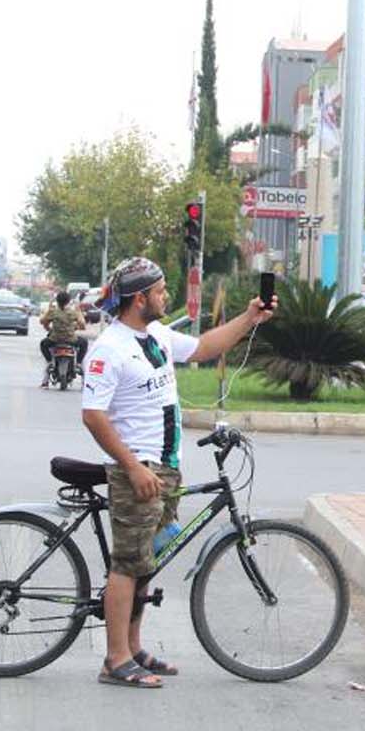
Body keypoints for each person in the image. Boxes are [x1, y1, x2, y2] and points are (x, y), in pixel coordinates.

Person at [80, 257, 277, 688]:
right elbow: (93, 415)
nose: (166, 296)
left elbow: (204, 347)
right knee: (128, 564)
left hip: (165, 468)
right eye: (160, 290)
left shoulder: (155, 335)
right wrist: (133, 467)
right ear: (139, 299)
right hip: (139, 470)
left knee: (145, 562)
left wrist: (249, 317)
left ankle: (133, 648)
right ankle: (115, 659)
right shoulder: (110, 348)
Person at [39, 289, 88, 386]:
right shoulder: (73, 312)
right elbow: (83, 324)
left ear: (57, 301)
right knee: (84, 343)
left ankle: (49, 362)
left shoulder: (53, 311)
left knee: (43, 344)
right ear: (68, 301)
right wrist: (78, 312)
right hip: (71, 340)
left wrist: (48, 311)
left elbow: (42, 321)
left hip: (54, 339)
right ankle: (78, 363)